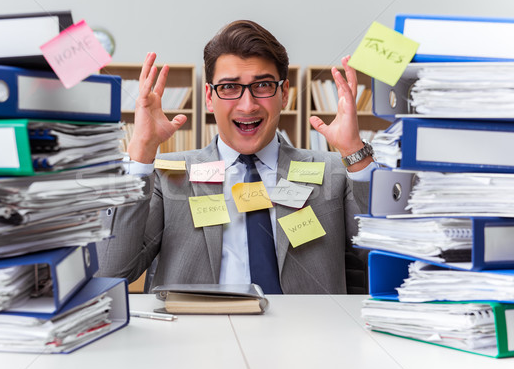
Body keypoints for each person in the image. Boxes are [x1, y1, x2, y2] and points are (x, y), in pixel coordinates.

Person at [96, 20, 375, 294]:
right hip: (198, 337)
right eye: (229, 87)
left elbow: (384, 259)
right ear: (209, 96)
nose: (247, 105)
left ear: (284, 93)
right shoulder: (168, 175)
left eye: (263, 85)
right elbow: (112, 270)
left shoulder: (334, 172)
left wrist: (355, 153)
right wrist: (141, 156)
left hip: (307, 336)